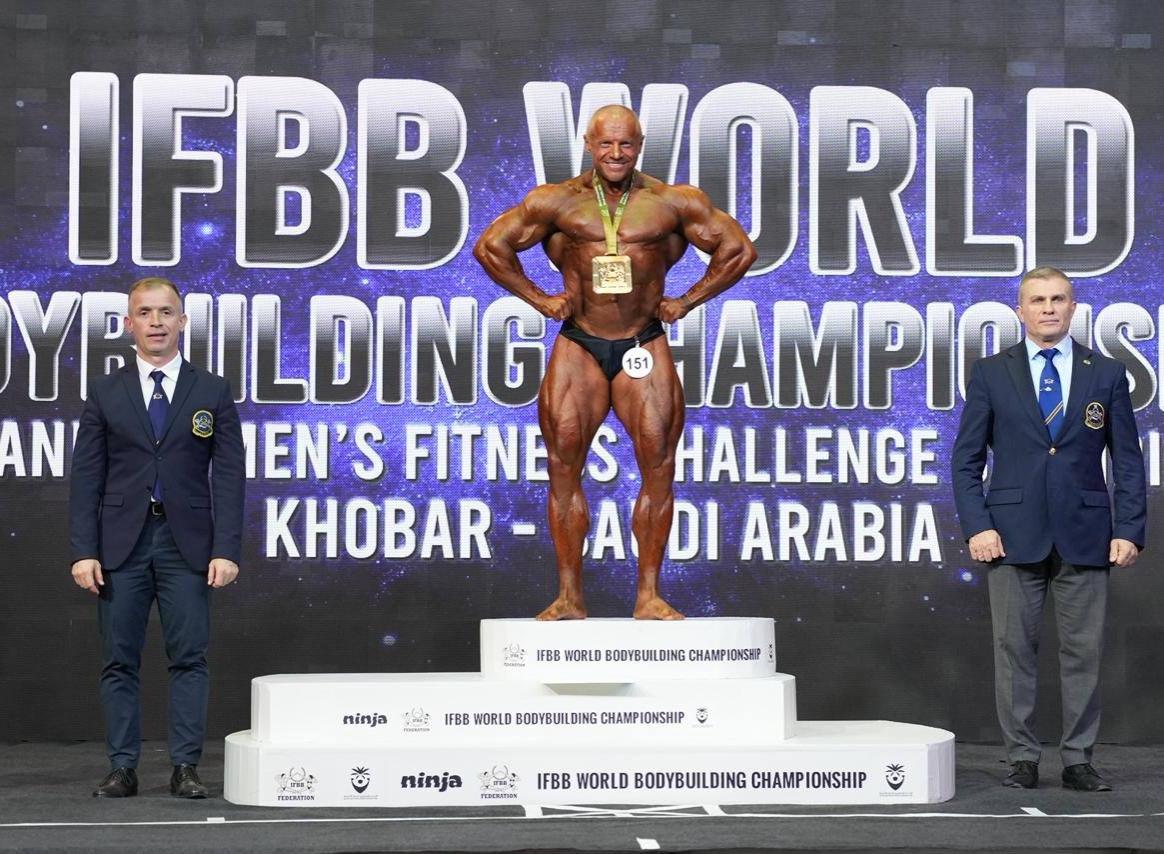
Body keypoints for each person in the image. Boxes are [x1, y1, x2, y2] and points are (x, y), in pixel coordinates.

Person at [474, 105, 757, 620]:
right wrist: (540, 300)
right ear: (589, 144)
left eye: (626, 144)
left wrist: (685, 301)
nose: (616, 153)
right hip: (579, 343)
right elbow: (492, 247)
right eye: (606, 143)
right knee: (563, 466)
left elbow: (737, 250)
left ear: (639, 145)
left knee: (659, 465)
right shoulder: (556, 200)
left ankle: (649, 595)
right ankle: (569, 597)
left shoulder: (673, 201)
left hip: (642, 341)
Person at [951, 267, 1146, 792]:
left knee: (1083, 653)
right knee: (1014, 652)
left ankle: (1078, 760)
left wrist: (1129, 529)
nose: (1048, 308)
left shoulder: (1107, 373)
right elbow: (966, 461)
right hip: (1010, 535)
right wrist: (978, 526)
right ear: (1021, 311)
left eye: (1058, 299)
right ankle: (1022, 759)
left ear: (1073, 307)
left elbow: (1127, 461)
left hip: (1087, 532)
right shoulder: (991, 372)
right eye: (1037, 300)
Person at [69, 277, 245, 798]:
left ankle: (185, 767)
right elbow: (86, 477)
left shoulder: (211, 390)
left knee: (189, 657)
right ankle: (122, 767)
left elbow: (229, 475)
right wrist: (83, 551)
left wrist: (226, 548)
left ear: (182, 321)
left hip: (185, 545)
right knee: (118, 660)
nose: (156, 322)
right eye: (145, 313)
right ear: (129, 324)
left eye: (166, 312)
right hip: (119, 546)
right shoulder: (106, 391)